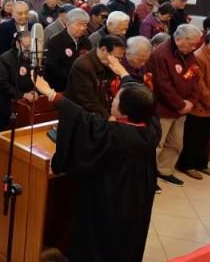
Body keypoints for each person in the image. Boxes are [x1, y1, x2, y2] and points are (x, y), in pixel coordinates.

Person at [33, 74, 159, 262]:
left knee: (99, 240)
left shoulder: (113, 134)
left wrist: (51, 94)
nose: (113, 100)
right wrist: (124, 75)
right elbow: (145, 104)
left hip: (109, 200)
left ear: (126, 111)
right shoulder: (152, 130)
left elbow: (82, 119)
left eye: (117, 99)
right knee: (129, 239)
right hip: (138, 200)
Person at [147, 24, 202, 187]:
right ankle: (149, 176)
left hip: (182, 109)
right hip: (164, 109)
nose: (194, 48)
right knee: (157, 144)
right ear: (178, 39)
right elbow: (162, 85)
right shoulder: (161, 55)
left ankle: (164, 171)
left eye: (196, 44)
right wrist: (180, 104)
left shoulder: (189, 54)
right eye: (191, 44)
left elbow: (195, 78)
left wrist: (191, 101)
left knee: (176, 144)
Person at [180, 29, 210, 179]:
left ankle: (201, 163)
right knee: (193, 137)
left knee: (205, 137)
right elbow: (199, 85)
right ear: (207, 43)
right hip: (199, 106)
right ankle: (187, 165)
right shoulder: (198, 57)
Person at [66, 35, 127, 118]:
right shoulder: (82, 66)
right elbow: (87, 100)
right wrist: (107, 117)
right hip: (83, 117)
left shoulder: (109, 64)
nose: (117, 62)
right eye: (116, 57)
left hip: (103, 113)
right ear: (103, 50)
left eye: (120, 59)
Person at [0, 31, 35, 131]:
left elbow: (35, 77)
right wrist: (22, 95)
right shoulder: (4, 59)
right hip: (8, 105)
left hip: (27, 104)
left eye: (30, 46)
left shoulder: (31, 58)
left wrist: (35, 91)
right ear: (17, 44)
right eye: (26, 46)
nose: (28, 49)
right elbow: (2, 84)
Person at [45, 9, 92, 92]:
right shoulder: (55, 42)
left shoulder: (86, 42)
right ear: (68, 24)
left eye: (85, 25)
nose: (82, 28)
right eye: (79, 24)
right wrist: (75, 77)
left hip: (82, 86)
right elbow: (53, 68)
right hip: (61, 87)